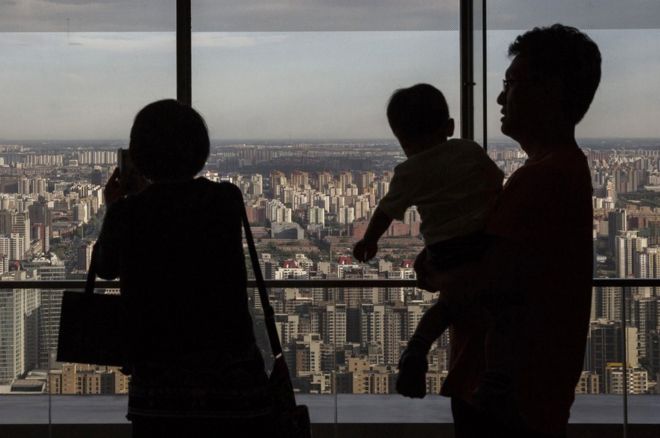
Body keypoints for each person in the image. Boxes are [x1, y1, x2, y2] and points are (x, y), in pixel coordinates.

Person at [399, 24, 601, 438]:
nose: (499, 97)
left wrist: (431, 269)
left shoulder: (541, 179)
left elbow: (476, 280)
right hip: (526, 393)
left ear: (549, 91)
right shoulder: (561, 169)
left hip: (505, 401)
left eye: (510, 83)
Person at [95, 99, 272, 437]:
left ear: (139, 154)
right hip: (230, 375)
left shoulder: (131, 213)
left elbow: (105, 268)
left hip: (159, 379)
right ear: (199, 149)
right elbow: (181, 209)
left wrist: (115, 208)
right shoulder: (225, 200)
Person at [352, 83, 503, 396]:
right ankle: (491, 374)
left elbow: (386, 211)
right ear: (449, 127)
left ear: (401, 138)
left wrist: (370, 241)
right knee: (486, 304)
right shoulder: (468, 149)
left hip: (444, 251)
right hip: (485, 243)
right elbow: (496, 180)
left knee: (448, 304)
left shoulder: (409, 171)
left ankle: (418, 347)